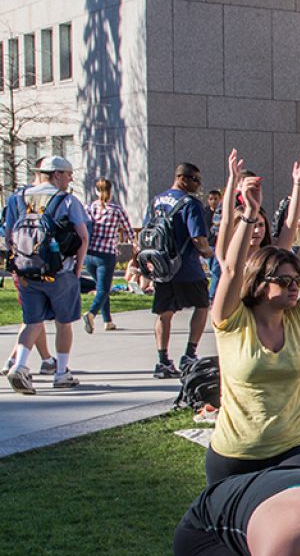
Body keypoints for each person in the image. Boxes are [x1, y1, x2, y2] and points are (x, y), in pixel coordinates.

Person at [205, 151, 300, 485]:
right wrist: (248, 213)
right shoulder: (231, 319)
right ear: (259, 284)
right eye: (284, 282)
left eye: (297, 281)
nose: (294, 288)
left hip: (296, 445)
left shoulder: (297, 318)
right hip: (236, 455)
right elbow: (229, 268)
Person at [3, 155, 91, 393]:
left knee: (32, 321)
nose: (70, 178)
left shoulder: (17, 198)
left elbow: (9, 234)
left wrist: (16, 266)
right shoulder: (67, 200)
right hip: (60, 270)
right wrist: (77, 268)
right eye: (68, 174)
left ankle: (19, 365)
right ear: (57, 174)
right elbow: (83, 237)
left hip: (26, 271)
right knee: (64, 322)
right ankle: (62, 372)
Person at [144, 162, 216, 379]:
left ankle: (163, 360)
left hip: (163, 267)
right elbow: (198, 238)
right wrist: (210, 253)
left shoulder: (157, 201)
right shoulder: (190, 204)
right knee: (202, 306)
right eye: (196, 180)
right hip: (187, 268)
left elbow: (147, 231)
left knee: (164, 313)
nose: (198, 185)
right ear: (183, 178)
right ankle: (190, 354)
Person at [83, 177, 134, 334]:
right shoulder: (117, 210)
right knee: (104, 289)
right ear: (111, 192)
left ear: (96, 191)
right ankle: (91, 314)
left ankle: (108, 321)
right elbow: (129, 231)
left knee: (100, 286)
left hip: (89, 253)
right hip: (106, 254)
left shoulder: (89, 208)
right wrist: (135, 245)